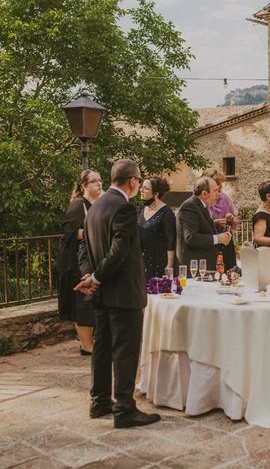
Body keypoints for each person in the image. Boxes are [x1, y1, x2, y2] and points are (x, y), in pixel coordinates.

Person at [74, 159, 160, 428]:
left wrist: (91, 276)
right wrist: (96, 277)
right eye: (139, 180)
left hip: (101, 292)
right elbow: (120, 251)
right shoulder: (123, 207)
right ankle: (124, 409)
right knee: (125, 350)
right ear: (133, 181)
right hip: (122, 292)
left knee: (102, 348)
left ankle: (99, 402)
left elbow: (84, 251)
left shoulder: (96, 205)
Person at [57, 169, 102, 356]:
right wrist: (97, 232)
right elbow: (69, 234)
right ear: (84, 186)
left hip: (88, 260)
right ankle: (86, 344)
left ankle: (89, 342)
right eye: (94, 182)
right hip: (74, 262)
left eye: (100, 180)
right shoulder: (78, 205)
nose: (99, 184)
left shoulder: (97, 204)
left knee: (89, 302)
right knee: (82, 303)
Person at [176, 177, 232, 274]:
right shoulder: (189, 206)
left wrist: (216, 226)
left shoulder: (201, 205)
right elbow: (190, 237)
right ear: (204, 193)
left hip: (202, 267)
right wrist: (218, 238)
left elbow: (200, 227)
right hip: (194, 268)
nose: (218, 194)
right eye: (215, 191)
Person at [137, 177, 176, 278]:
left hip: (158, 261)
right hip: (141, 261)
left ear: (156, 193)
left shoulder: (166, 212)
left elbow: (171, 241)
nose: (141, 190)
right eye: (141, 187)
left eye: (145, 188)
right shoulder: (140, 210)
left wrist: (169, 265)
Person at [203, 169, 238, 270]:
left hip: (226, 243)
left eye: (220, 183)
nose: (220, 186)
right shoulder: (202, 199)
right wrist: (214, 223)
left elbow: (235, 219)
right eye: (217, 183)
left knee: (230, 273)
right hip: (209, 244)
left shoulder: (225, 198)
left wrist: (230, 219)